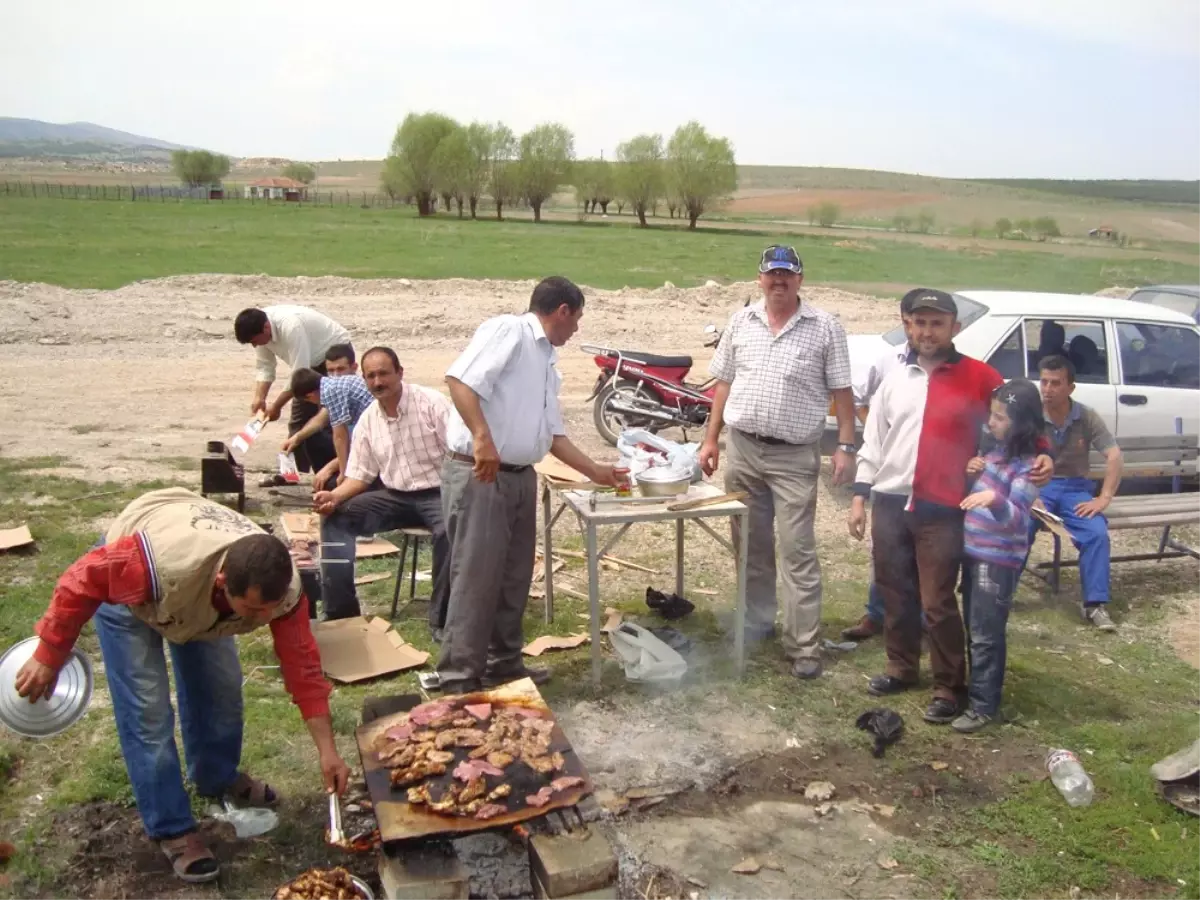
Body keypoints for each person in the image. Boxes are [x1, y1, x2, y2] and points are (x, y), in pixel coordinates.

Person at [12, 488, 350, 885]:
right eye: (254, 610)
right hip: (135, 589)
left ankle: (216, 775)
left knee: (221, 690)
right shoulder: (149, 566)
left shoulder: (282, 590)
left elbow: (304, 672)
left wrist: (328, 752)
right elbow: (82, 578)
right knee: (148, 712)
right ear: (224, 583)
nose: (264, 618)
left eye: (270, 610)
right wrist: (49, 653)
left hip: (193, 593)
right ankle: (172, 828)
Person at [848, 289, 1052, 723]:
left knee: (937, 600)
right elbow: (874, 441)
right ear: (907, 325)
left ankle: (948, 685)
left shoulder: (979, 377)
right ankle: (901, 667)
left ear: (954, 328)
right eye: (919, 322)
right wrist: (859, 495)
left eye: (936, 323)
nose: (927, 331)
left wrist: (1043, 450)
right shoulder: (894, 377)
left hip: (943, 507)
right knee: (894, 590)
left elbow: (1021, 411)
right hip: (890, 499)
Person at [435, 276, 618, 693]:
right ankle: (459, 676)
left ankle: (504, 665)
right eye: (577, 319)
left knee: (514, 576)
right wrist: (482, 437)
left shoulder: (547, 362)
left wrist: (597, 472)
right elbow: (460, 381)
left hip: (519, 476)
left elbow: (553, 435)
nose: (576, 330)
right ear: (563, 311)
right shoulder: (510, 332)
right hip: (481, 473)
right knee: (476, 577)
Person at [699, 245, 856, 680]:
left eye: (788, 274)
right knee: (750, 544)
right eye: (773, 274)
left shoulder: (825, 328)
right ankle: (756, 624)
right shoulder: (741, 321)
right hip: (744, 450)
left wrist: (846, 446)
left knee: (797, 550)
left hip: (793, 456)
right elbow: (724, 383)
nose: (779, 281)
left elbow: (843, 394)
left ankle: (803, 645)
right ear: (760, 278)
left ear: (800, 280)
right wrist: (710, 440)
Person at [313, 347, 451, 632]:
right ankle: (341, 614)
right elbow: (359, 476)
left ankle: (442, 621)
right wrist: (334, 497)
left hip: (440, 493)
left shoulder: (432, 404)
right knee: (336, 518)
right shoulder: (368, 419)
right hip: (396, 497)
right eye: (371, 376)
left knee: (451, 531)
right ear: (364, 380)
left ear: (400, 373)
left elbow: (462, 455)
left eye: (384, 374)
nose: (378, 382)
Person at [955, 380, 1045, 732]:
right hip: (974, 554)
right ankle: (977, 691)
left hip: (997, 561)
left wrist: (994, 499)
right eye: (991, 415)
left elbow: (1019, 519)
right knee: (974, 627)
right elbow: (972, 495)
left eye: (1000, 418)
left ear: (1021, 423)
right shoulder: (994, 453)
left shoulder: (1029, 468)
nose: (991, 423)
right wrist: (973, 474)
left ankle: (983, 706)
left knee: (987, 632)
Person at [843, 290, 918, 641]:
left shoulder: (952, 368)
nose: (916, 329)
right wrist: (875, 425)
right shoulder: (889, 362)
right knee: (884, 552)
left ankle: (922, 623)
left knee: (924, 557)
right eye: (910, 321)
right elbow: (858, 396)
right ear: (903, 321)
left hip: (929, 483)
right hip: (888, 476)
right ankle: (876, 615)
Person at [1034, 355, 1123, 631]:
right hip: (1039, 488)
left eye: (1055, 383)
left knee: (1096, 533)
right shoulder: (1032, 414)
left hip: (1075, 489)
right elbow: (1012, 455)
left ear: (1070, 387)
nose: (1047, 389)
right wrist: (1027, 493)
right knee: (1019, 523)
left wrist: (1104, 497)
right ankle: (1002, 593)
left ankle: (1094, 606)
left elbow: (1114, 455)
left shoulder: (1085, 415)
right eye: (1044, 382)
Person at [234, 306, 352, 474]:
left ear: (266, 328)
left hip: (333, 358)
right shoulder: (260, 331)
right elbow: (265, 367)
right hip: (308, 364)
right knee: (298, 421)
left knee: (330, 418)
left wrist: (276, 406)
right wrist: (259, 398)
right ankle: (297, 474)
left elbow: (299, 371)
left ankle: (335, 471)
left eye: (254, 341)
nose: (254, 346)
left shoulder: (291, 327)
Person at [288, 363, 374, 491]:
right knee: (314, 438)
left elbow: (340, 436)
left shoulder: (330, 392)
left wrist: (343, 473)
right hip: (364, 434)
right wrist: (296, 438)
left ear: (310, 396)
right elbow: (320, 421)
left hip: (373, 442)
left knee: (331, 484)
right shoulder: (333, 383)